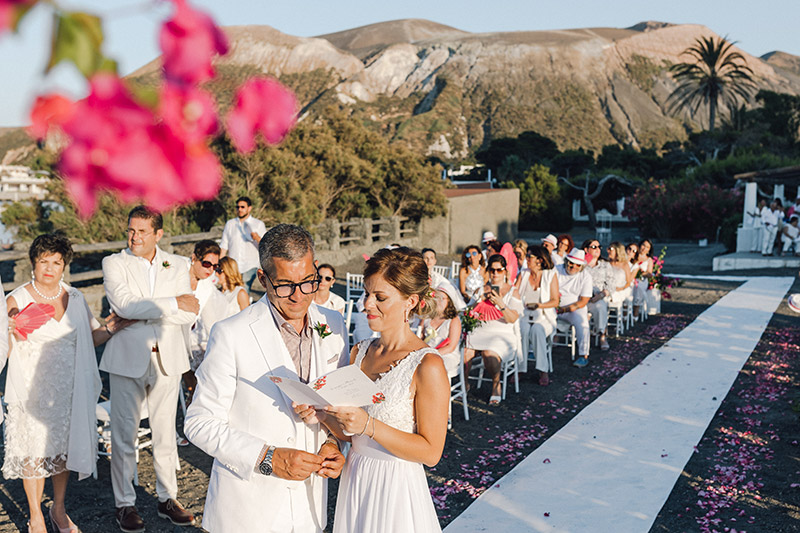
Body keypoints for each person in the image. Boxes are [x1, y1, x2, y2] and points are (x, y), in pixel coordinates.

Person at [184, 224, 347, 532]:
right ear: (262, 278)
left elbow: (336, 401)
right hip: (248, 511)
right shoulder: (230, 333)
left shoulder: (335, 324)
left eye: (308, 282)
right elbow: (199, 422)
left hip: (309, 509)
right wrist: (268, 458)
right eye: (285, 285)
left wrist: (332, 442)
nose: (299, 297)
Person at [294, 247, 448, 533]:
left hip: (396, 486)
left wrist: (369, 425)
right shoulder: (359, 353)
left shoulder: (428, 365)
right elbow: (350, 435)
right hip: (356, 477)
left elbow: (431, 452)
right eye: (367, 294)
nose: (367, 304)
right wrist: (321, 413)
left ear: (410, 301)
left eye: (380, 297)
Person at [4, 233, 134, 533]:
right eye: (43, 262)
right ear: (33, 264)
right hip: (31, 390)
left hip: (67, 389)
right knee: (34, 452)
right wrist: (7, 330)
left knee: (62, 451)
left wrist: (113, 327)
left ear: (64, 265)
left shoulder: (74, 298)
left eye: (56, 262)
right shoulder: (16, 300)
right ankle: (35, 516)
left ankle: (58, 509)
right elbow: (5, 352)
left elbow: (90, 337)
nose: (49, 268)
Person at [102, 206, 200, 532]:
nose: (134, 237)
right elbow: (123, 304)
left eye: (142, 231)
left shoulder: (180, 263)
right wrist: (171, 303)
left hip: (168, 359)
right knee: (124, 435)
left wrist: (138, 314)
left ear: (158, 234)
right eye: (131, 230)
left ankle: (167, 498)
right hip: (126, 359)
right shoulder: (114, 263)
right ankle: (124, 504)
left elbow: (191, 313)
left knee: (165, 434)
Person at [463, 254, 523, 404]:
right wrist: (478, 301)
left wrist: (501, 304)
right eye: (492, 270)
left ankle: (496, 384)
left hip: (502, 333)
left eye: (499, 270)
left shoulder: (512, 291)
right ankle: (464, 384)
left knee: (489, 352)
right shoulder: (480, 290)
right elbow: (468, 312)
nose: (495, 273)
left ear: (505, 272)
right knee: (465, 351)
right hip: (480, 330)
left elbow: (513, 319)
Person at [183, 240, 228, 407]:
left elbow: (210, 322)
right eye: (207, 264)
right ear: (194, 258)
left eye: (215, 266)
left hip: (189, 332)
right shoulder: (178, 273)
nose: (210, 270)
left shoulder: (207, 285)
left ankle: (194, 397)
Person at [516, 245, 559, 386]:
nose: (526, 259)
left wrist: (539, 305)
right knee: (522, 329)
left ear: (539, 260)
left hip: (544, 316)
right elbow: (514, 293)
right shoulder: (523, 274)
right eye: (527, 256)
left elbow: (555, 301)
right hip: (524, 314)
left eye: (529, 256)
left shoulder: (550, 275)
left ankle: (542, 370)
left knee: (537, 330)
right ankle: (521, 368)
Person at [220, 196, 267, 293]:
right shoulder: (230, 224)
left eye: (242, 207)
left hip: (250, 266)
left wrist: (257, 238)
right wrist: (219, 264)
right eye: (238, 207)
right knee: (230, 292)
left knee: (244, 291)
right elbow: (224, 246)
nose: (239, 209)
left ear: (249, 208)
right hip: (233, 266)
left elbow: (265, 246)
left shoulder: (258, 224)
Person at [555, 248, 592, 368]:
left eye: (577, 264)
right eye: (571, 262)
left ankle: (583, 355)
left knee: (583, 323)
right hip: (554, 304)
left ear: (581, 266)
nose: (573, 266)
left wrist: (564, 309)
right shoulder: (556, 270)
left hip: (574, 307)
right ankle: (534, 350)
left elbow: (583, 301)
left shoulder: (586, 276)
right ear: (566, 261)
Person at [418, 280, 463, 376]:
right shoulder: (427, 317)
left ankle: (435, 390)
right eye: (436, 297)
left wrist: (433, 353)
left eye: (442, 298)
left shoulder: (453, 320)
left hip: (447, 354)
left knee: (434, 366)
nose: (438, 301)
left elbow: (451, 347)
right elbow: (419, 337)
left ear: (449, 302)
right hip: (427, 352)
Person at [582, 239, 615, 351]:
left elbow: (611, 285)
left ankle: (602, 335)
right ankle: (582, 338)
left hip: (598, 297)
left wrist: (601, 295)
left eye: (599, 247)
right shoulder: (580, 264)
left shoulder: (605, 265)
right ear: (586, 249)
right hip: (582, 297)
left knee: (600, 307)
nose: (598, 249)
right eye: (594, 247)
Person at [632, 239, 654, 319]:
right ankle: (624, 312)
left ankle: (635, 312)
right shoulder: (634, 255)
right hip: (630, 279)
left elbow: (649, 273)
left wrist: (640, 273)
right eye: (643, 245)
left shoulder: (649, 260)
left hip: (642, 280)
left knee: (638, 288)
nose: (644, 248)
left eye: (647, 247)